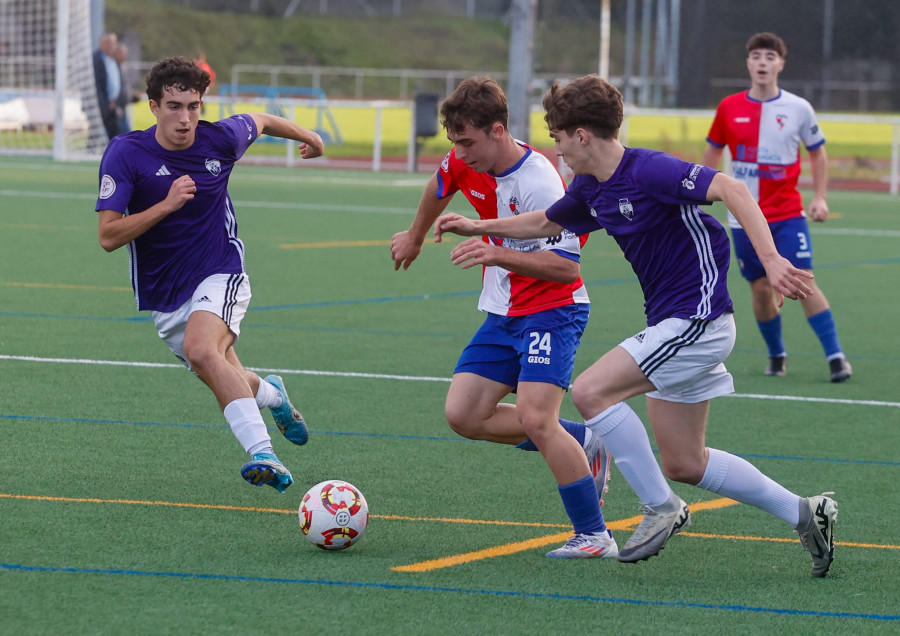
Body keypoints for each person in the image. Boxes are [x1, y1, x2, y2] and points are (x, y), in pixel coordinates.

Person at [434, 74, 839, 577]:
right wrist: (480, 226)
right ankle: (804, 511)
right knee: (685, 463)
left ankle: (660, 509)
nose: (556, 152)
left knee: (591, 391)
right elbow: (545, 223)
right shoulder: (590, 186)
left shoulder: (650, 170)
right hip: (677, 324)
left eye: (559, 139)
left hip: (698, 317)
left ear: (582, 135)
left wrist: (772, 259)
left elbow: (732, 187)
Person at [391, 77, 616, 559]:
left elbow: (565, 268)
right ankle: (583, 441)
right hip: (503, 312)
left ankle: (595, 536)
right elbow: (439, 184)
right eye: (455, 142)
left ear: (497, 131)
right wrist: (415, 234)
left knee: (537, 419)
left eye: (468, 142)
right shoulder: (463, 158)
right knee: (464, 415)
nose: (461, 153)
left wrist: (496, 252)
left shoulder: (540, 182)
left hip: (553, 311)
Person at [95, 57, 324, 493]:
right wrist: (166, 204)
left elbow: (262, 120)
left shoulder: (220, 139)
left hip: (220, 269)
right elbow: (108, 236)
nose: (185, 118)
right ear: (153, 107)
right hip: (164, 295)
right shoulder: (126, 152)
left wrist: (310, 136)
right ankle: (273, 394)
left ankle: (264, 456)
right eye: (174, 106)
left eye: (194, 106)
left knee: (203, 351)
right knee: (218, 367)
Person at [701, 32, 851, 383]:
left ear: (781, 64)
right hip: (743, 218)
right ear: (748, 64)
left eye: (770, 56)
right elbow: (711, 151)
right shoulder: (729, 107)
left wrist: (820, 196)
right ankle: (776, 355)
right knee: (760, 289)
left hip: (786, 215)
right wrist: (701, 195)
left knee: (803, 280)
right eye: (756, 56)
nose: (763, 62)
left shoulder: (799, 108)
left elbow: (818, 150)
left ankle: (836, 357)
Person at [92, 33, 123, 140]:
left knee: (115, 133)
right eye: (108, 43)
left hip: (113, 104)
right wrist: (103, 104)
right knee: (95, 132)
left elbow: (118, 83)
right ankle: (90, 152)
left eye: (113, 43)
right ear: (101, 43)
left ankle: (113, 154)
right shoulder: (96, 59)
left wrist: (117, 103)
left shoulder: (113, 60)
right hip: (101, 105)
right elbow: (97, 84)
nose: (111, 46)